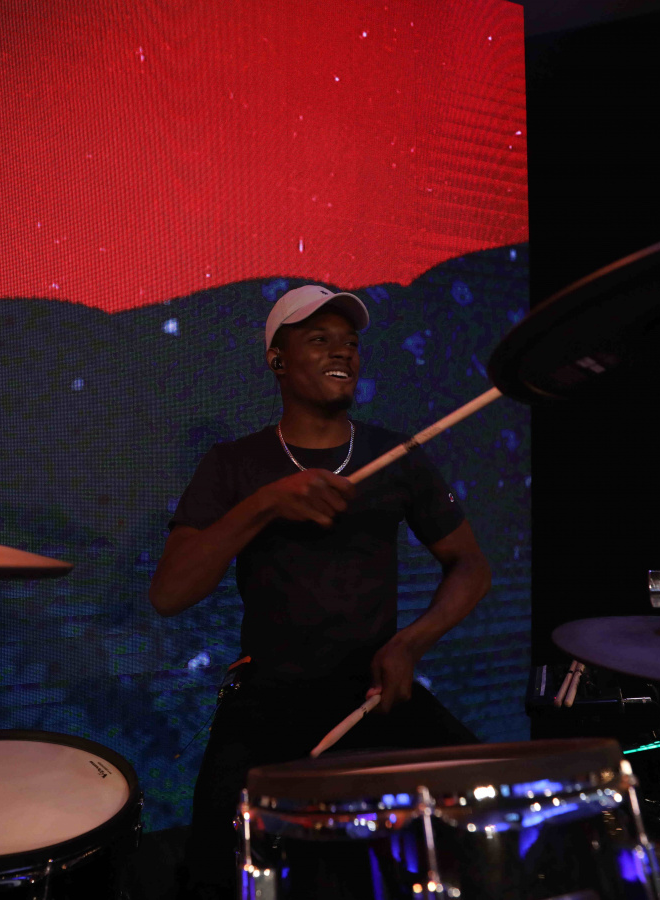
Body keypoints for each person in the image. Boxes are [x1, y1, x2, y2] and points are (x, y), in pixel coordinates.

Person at [148, 284, 492, 899]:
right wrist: (265, 504)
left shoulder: (395, 454)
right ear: (277, 360)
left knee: (488, 826)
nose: (343, 352)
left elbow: (470, 565)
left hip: (374, 690)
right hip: (269, 697)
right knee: (215, 871)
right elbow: (169, 593)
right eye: (319, 339)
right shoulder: (234, 464)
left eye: (350, 342)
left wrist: (410, 644)